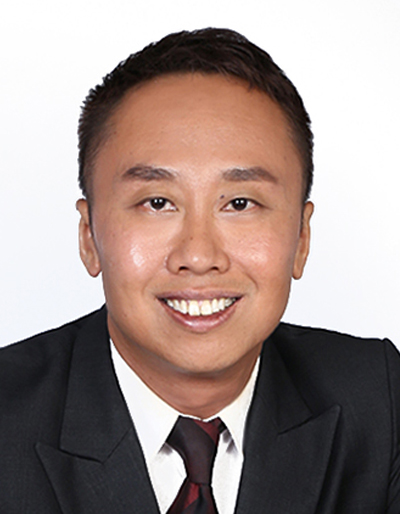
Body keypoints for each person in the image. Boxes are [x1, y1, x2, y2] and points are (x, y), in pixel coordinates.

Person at [0, 28, 399, 514]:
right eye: (157, 202)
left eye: (240, 203)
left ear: (301, 238)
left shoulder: (380, 400)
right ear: (89, 237)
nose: (199, 254)